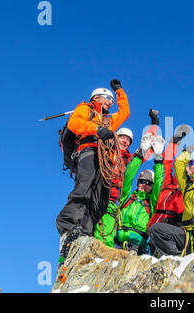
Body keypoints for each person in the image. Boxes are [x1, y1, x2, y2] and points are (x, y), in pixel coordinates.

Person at [56, 79, 130, 266]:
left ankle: (84, 230)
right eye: (108, 98)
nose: (110, 102)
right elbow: (74, 124)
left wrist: (120, 91)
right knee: (84, 190)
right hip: (88, 151)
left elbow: (125, 112)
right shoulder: (85, 108)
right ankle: (68, 225)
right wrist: (97, 129)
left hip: (103, 156)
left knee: (101, 201)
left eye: (112, 100)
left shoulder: (109, 119)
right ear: (96, 97)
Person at [93, 110, 160, 247]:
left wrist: (154, 125)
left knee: (105, 228)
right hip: (96, 193)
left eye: (128, 140)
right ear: (115, 138)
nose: (125, 141)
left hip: (111, 199)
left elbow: (145, 148)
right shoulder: (103, 150)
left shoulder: (128, 161)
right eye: (122, 137)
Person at [115, 133, 165, 255]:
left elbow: (159, 182)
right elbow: (128, 176)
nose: (144, 184)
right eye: (142, 181)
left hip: (137, 247)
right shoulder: (127, 197)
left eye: (148, 183)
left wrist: (158, 159)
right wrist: (140, 154)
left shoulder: (151, 203)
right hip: (117, 243)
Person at [146, 125, 190, 231]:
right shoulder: (168, 185)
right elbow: (166, 164)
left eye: (189, 165)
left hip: (175, 227)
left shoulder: (190, 189)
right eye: (185, 165)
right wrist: (173, 143)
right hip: (156, 225)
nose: (186, 169)